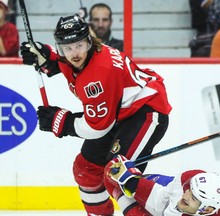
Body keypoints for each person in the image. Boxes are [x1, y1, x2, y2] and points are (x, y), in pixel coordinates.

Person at [20, 14, 171, 216]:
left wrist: (62, 122)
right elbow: (66, 63)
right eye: (68, 48)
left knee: (118, 175)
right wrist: (46, 54)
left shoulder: (98, 76)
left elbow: (97, 127)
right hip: (120, 114)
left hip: (146, 113)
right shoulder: (83, 55)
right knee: (86, 170)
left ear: (89, 41)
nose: (74, 53)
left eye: (79, 45)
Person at [103, 155, 220, 216]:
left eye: (194, 198)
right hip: (168, 193)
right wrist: (131, 181)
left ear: (207, 210)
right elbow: (161, 201)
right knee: (113, 177)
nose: (186, 195)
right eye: (190, 190)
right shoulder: (186, 181)